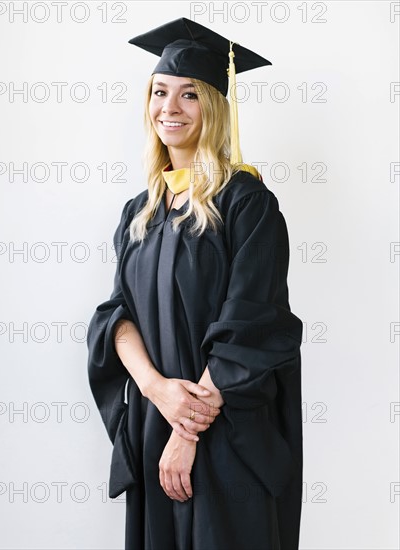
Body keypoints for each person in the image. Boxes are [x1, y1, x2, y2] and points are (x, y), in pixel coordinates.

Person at [87, 17, 303, 550]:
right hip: (155, 420)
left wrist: (187, 432)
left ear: (214, 107)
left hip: (227, 431)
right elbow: (116, 318)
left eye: (190, 95)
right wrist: (158, 392)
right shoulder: (140, 212)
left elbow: (250, 325)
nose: (170, 108)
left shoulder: (246, 203)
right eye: (160, 92)